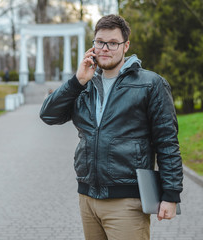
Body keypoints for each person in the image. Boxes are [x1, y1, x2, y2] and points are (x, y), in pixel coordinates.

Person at [40, 14, 183, 240]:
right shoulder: (85, 85)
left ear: (126, 46)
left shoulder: (150, 84)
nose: (105, 48)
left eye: (113, 43)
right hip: (87, 198)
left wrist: (171, 194)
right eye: (99, 42)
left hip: (127, 201)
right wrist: (76, 82)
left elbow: (167, 142)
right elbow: (48, 115)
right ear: (93, 44)